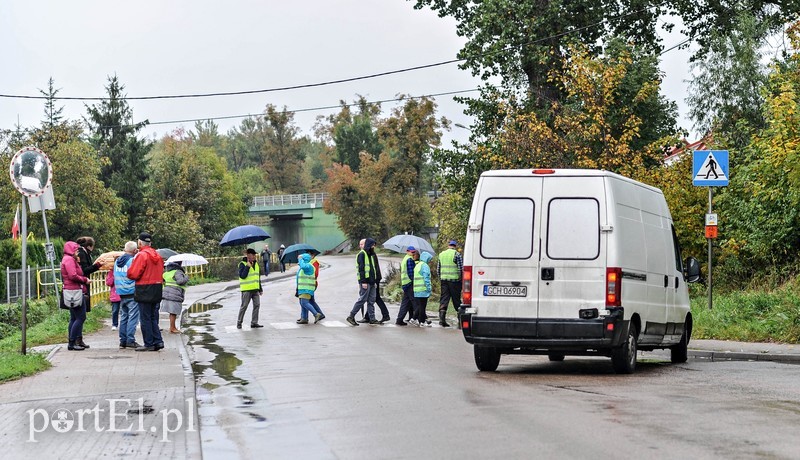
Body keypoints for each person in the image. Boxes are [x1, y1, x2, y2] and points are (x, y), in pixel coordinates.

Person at [127, 232, 165, 351]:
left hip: (144, 288)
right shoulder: (158, 256)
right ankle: (158, 341)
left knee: (145, 317)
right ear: (150, 242)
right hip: (157, 287)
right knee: (153, 316)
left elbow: (133, 273)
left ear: (139, 242)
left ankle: (149, 343)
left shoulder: (141, 255)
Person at [61, 241, 89, 351]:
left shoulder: (69, 259)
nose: (77, 252)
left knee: (73, 317)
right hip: (73, 291)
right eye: (76, 249)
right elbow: (73, 275)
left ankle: (72, 342)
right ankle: (72, 342)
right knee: (81, 317)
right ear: (71, 250)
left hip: (72, 290)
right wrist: (85, 280)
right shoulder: (69, 260)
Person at [75, 236, 101, 348]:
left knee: (79, 315)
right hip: (81, 286)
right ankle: (76, 339)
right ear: (89, 246)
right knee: (79, 316)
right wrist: (97, 266)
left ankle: (77, 339)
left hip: (82, 285)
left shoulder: (82, 252)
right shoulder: (82, 254)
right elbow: (84, 270)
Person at [115, 241, 141, 349]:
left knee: (124, 317)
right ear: (135, 251)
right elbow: (136, 274)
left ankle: (123, 340)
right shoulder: (133, 261)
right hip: (131, 292)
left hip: (121, 293)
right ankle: (130, 340)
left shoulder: (117, 262)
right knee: (133, 317)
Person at [347, 238, 378, 326]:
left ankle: (372, 318)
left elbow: (372, 269)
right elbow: (361, 269)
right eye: (372, 245)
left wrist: (374, 281)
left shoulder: (370, 255)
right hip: (365, 282)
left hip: (371, 282)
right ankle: (351, 316)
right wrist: (363, 282)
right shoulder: (362, 254)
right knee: (362, 300)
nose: (373, 247)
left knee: (371, 301)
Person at [360, 241, 391, 323]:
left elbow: (372, 268)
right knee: (371, 298)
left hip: (375, 279)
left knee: (375, 298)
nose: (361, 246)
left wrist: (372, 280)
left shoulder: (371, 254)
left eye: (362, 244)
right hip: (375, 278)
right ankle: (368, 316)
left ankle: (385, 315)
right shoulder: (370, 253)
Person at [437, 240, 463, 328]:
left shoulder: (441, 254)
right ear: (455, 246)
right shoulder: (457, 254)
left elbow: (438, 269)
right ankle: (460, 319)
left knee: (444, 298)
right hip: (455, 280)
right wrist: (460, 279)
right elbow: (460, 269)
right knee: (456, 300)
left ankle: (442, 319)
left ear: (448, 246)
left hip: (444, 280)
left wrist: (441, 278)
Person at [237, 248, 263, 329]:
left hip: (255, 289)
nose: (255, 256)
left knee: (257, 305)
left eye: (255, 255)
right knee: (244, 306)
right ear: (248, 255)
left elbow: (257, 278)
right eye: (253, 255)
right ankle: (239, 322)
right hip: (246, 290)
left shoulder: (256, 264)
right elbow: (242, 276)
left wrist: (260, 288)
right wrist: (247, 267)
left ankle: (254, 323)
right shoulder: (242, 264)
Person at [297, 250, 325, 324]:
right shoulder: (306, 265)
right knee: (303, 302)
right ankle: (304, 318)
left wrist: (300, 259)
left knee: (304, 302)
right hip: (302, 288)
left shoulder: (309, 266)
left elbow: (304, 266)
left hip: (307, 288)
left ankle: (317, 314)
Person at [162, 260, 189, 334]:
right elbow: (180, 281)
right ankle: (172, 328)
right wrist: (186, 277)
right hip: (175, 293)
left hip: (167, 293)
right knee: (173, 312)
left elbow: (163, 280)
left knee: (172, 312)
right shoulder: (177, 272)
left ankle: (172, 327)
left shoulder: (167, 272)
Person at [395, 246, 418, 326]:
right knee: (415, 302)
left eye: (414, 252)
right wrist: (414, 282)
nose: (413, 253)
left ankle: (399, 319)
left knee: (405, 303)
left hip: (405, 283)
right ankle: (420, 318)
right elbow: (411, 273)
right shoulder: (409, 260)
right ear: (407, 251)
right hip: (409, 283)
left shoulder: (405, 258)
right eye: (412, 252)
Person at [412, 251, 434, 327]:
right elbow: (426, 278)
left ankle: (414, 319)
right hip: (423, 289)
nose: (429, 261)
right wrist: (429, 288)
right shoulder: (425, 266)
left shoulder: (417, 265)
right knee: (422, 306)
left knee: (419, 305)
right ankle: (421, 322)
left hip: (416, 289)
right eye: (429, 259)